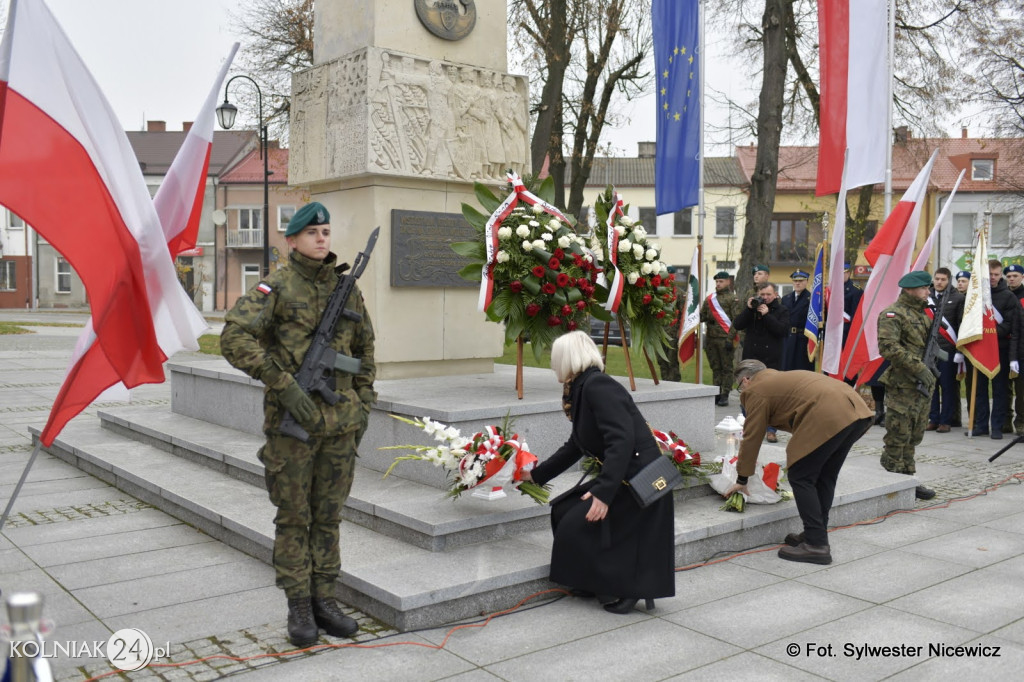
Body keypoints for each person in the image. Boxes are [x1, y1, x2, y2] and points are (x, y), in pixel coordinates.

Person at [221, 201, 377, 647]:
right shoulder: (277, 286)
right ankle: (299, 606)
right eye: (312, 233)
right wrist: (283, 385)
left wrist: (363, 405)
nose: (322, 239)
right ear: (291, 240)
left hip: (340, 426)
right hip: (293, 427)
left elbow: (365, 352)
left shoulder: (346, 291)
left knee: (328, 518)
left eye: (326, 231)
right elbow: (232, 338)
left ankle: (326, 598)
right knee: (294, 518)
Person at [521, 331, 675, 615]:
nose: (552, 366)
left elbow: (621, 441)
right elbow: (575, 445)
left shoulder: (597, 386)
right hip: (625, 476)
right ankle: (587, 579)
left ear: (567, 359)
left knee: (577, 521)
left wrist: (603, 494)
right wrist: (536, 475)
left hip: (641, 483)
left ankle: (625, 589)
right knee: (564, 510)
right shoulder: (583, 386)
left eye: (555, 360)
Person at [724, 360, 872, 565]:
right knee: (824, 475)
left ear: (746, 380)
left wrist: (742, 477)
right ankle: (816, 533)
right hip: (857, 411)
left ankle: (816, 545)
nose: (742, 390)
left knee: (800, 475)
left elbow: (752, 436)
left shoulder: (756, 390)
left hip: (830, 414)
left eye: (740, 385)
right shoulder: (780, 378)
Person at [876, 270, 937, 500]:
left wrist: (928, 368)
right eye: (924, 288)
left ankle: (908, 478)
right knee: (898, 434)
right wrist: (918, 367)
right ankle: (892, 481)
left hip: (922, 384)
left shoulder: (923, 315)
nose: (927, 292)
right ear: (910, 289)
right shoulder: (893, 314)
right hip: (903, 385)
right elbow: (889, 347)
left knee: (914, 434)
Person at [965, 259, 1020, 439]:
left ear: (1000, 275)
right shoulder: (976, 295)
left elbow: (1012, 323)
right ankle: (981, 425)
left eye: (996, 274)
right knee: (979, 388)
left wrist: (991, 334)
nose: (993, 278)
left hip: (1000, 349)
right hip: (979, 348)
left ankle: (997, 426)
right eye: (990, 274)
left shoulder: (1008, 297)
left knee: (999, 389)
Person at [733, 282, 790, 442]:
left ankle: (771, 429)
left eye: (768, 295)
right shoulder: (753, 308)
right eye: (762, 294)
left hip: (771, 359)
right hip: (752, 357)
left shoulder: (782, 310)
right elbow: (737, 324)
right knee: (748, 392)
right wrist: (749, 309)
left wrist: (767, 315)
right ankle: (750, 425)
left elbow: (782, 331)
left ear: (775, 295)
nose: (765, 298)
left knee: (771, 395)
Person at [925, 268, 963, 433]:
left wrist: (960, 350)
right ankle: (933, 418)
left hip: (948, 350)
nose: (939, 282)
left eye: (943, 279)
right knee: (931, 386)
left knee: (948, 386)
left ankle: (946, 421)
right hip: (930, 350)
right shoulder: (927, 297)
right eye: (937, 279)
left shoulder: (958, 298)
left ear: (949, 281)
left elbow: (961, 324)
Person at [699, 271, 740, 405]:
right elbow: (702, 316)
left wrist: (730, 339)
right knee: (715, 367)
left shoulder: (732, 299)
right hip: (711, 338)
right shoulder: (710, 299)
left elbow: (736, 321)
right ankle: (716, 392)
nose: (718, 284)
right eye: (717, 282)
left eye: (721, 281)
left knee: (726, 368)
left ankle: (725, 394)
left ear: (728, 282)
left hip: (725, 339)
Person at [1003, 264, 1024, 434]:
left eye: (1015, 275)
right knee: (1004, 388)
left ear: (1022, 277)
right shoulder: (1003, 295)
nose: (1011, 279)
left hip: (1019, 346)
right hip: (1004, 345)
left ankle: (1020, 422)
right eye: (1008, 276)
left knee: (1021, 391)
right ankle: (1005, 420)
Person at [781, 269, 814, 371]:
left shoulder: (811, 299)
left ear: (806, 281)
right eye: (795, 281)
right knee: (786, 367)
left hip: (802, 339)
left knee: (801, 368)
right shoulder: (786, 298)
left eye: (801, 281)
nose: (798, 283)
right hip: (788, 338)